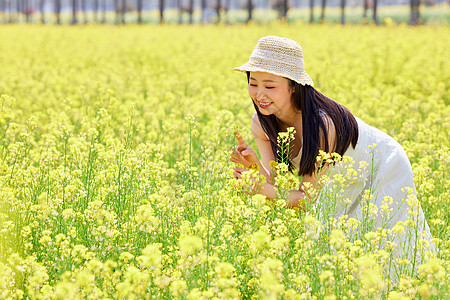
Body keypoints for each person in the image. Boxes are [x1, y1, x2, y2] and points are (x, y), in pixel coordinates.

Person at [229, 35, 434, 272]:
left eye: (270, 86)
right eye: (253, 84)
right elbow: (274, 183)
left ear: (293, 87)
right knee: (333, 252)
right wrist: (254, 167)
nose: (259, 94)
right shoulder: (261, 123)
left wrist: (259, 188)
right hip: (340, 182)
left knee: (387, 254)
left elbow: (306, 199)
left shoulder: (321, 125)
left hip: (382, 167)